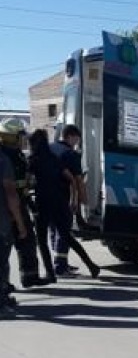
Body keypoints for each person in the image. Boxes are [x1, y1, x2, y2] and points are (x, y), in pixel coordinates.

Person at [0, 118, 50, 288]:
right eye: (21, 136)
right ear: (12, 137)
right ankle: (4, 285)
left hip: (19, 203)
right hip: (9, 207)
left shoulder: (17, 155)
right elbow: (11, 189)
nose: (25, 140)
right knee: (6, 246)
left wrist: (30, 203)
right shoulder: (6, 157)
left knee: (27, 242)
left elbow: (22, 184)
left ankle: (29, 277)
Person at [49, 125, 99, 278]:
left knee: (53, 230)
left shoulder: (49, 148)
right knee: (63, 233)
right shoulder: (70, 154)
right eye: (76, 139)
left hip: (44, 197)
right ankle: (60, 267)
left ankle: (60, 262)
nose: (77, 142)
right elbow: (78, 181)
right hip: (62, 198)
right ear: (70, 137)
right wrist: (83, 201)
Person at [0, 142, 28, 316]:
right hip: (1, 223)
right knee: (1, 263)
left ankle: (3, 297)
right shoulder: (3, 161)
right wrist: (20, 223)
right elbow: (11, 194)